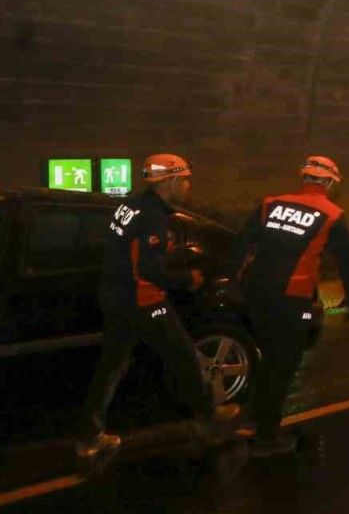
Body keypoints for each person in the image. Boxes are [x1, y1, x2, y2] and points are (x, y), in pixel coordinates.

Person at [76, 154, 240, 460]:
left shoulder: (131, 205)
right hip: (143, 300)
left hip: (115, 297)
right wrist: (186, 278)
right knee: (185, 357)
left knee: (111, 367)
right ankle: (210, 418)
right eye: (186, 179)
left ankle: (89, 437)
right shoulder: (152, 216)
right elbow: (149, 270)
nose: (189, 186)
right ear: (172, 181)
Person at [233, 155, 349, 457]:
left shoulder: (270, 204)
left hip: (256, 294)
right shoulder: (332, 214)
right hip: (292, 299)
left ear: (303, 178)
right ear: (329, 182)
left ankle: (250, 420)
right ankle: (266, 437)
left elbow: (241, 245)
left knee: (263, 357)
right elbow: (346, 262)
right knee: (283, 364)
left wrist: (235, 284)